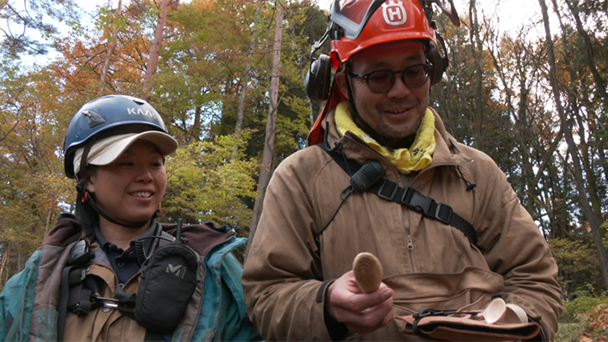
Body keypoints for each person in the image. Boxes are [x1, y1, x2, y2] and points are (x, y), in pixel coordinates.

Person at [241, 0, 562, 341]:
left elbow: (535, 278)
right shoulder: (300, 179)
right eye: (378, 77)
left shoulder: (478, 172)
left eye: (413, 72)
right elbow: (267, 295)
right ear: (343, 82)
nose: (400, 90)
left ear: (432, 69)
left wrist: (520, 324)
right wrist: (327, 307)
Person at [0, 95, 262, 341]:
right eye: (126, 163)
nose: (146, 176)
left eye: (155, 163)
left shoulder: (211, 267)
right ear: (88, 179)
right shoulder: (43, 271)